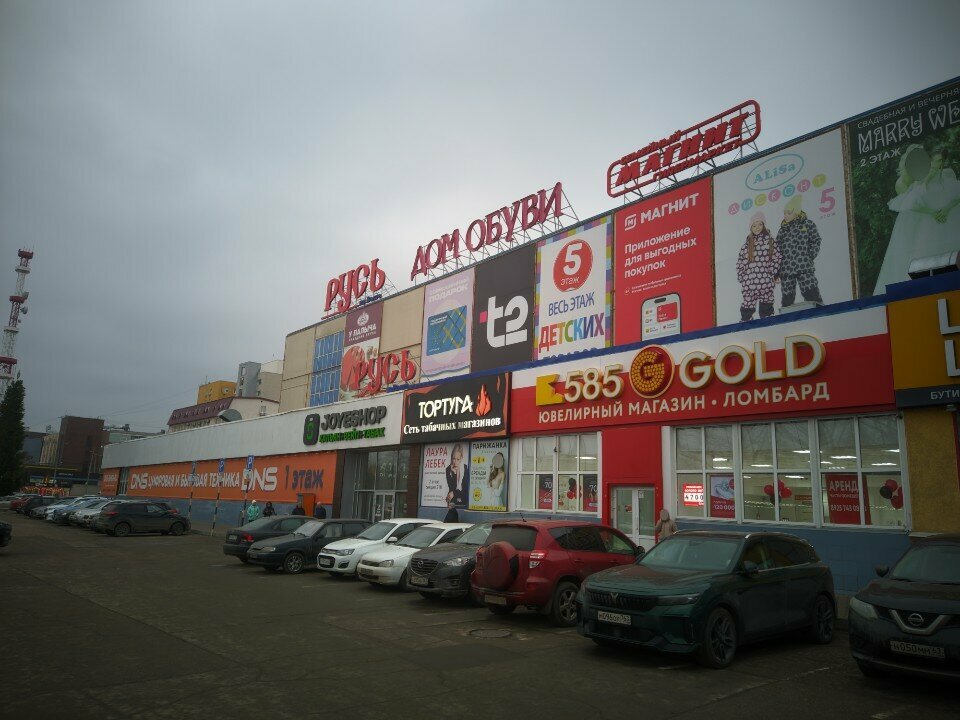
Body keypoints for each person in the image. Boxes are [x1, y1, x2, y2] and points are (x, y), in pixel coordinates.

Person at [873, 146, 960, 294]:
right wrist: (933, 211)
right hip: (926, 223)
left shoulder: (947, 175)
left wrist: (945, 210)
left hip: (945, 222)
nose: (936, 164)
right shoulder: (913, 182)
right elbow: (913, 203)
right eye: (935, 161)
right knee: (923, 253)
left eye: (940, 161)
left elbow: (954, 195)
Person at [775, 194, 823, 308]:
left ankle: (821, 312)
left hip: (804, 266)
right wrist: (777, 270)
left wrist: (809, 255)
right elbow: (777, 251)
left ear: (796, 212)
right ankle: (787, 317)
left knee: (811, 292)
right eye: (784, 213)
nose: (785, 215)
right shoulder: (782, 231)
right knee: (787, 299)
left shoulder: (807, 224)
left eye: (789, 213)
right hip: (786, 269)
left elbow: (816, 240)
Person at [736, 211, 781, 321]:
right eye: (754, 225)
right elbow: (740, 262)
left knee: (767, 305)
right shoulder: (747, 245)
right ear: (751, 227)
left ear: (763, 225)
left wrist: (772, 272)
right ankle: (746, 321)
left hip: (765, 282)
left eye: (760, 224)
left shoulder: (770, 241)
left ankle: (767, 320)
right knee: (747, 305)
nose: (757, 228)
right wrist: (742, 277)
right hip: (749, 284)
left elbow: (777, 257)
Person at [445, 443, 469, 508]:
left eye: (458, 459)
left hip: (463, 503)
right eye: (453, 458)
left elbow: (466, 492)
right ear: (451, 457)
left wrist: (454, 493)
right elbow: (452, 488)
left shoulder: (465, 468)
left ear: (461, 458)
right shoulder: (448, 469)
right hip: (452, 502)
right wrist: (454, 474)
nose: (455, 462)